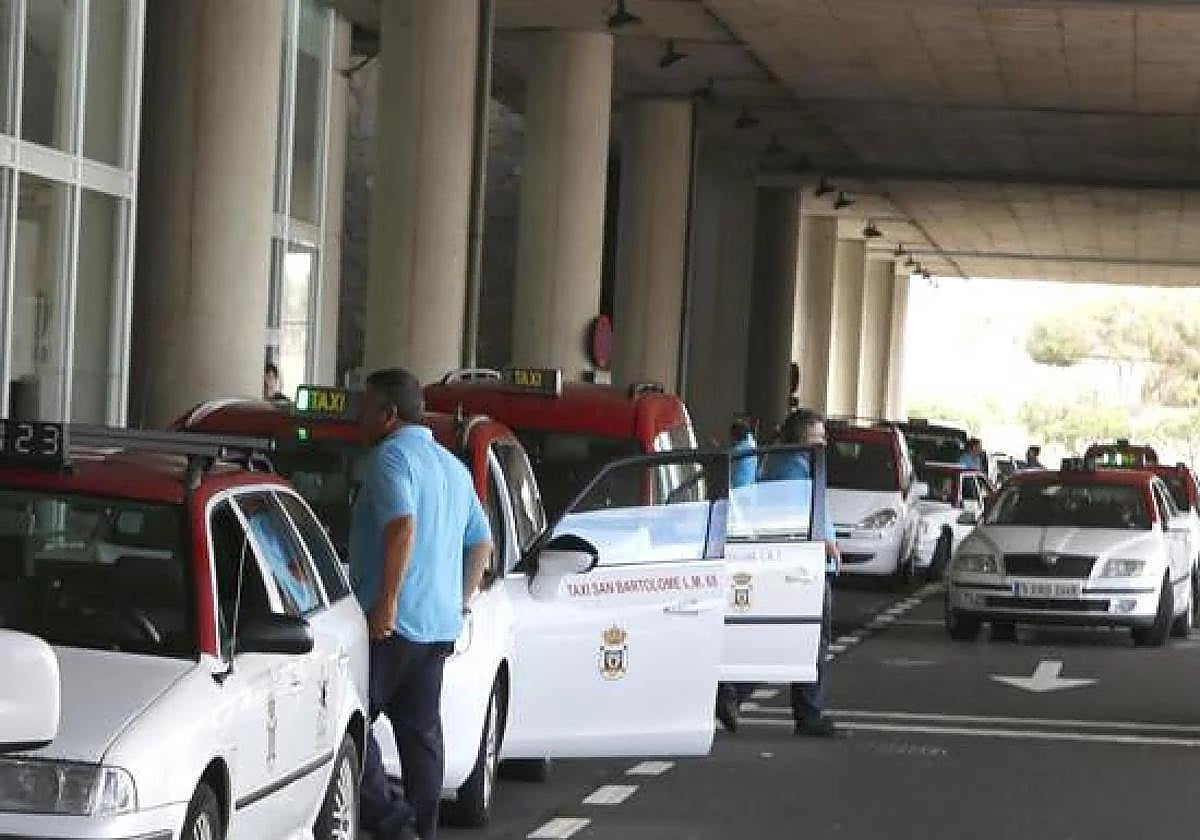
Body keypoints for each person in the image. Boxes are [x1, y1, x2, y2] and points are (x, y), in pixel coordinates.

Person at [351, 368, 493, 840]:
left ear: (389, 415)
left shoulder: (390, 459)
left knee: (347, 722)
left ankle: (394, 826)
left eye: (365, 406)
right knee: (421, 741)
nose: (358, 414)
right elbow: (482, 543)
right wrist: (460, 602)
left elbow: (401, 527)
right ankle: (422, 832)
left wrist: (385, 604)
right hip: (437, 627)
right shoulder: (451, 467)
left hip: (391, 627)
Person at [760, 408, 841, 738]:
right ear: (799, 439)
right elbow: (799, 515)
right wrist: (825, 543)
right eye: (815, 436)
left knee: (794, 638)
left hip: (805, 563)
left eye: (823, 436)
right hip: (806, 565)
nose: (822, 442)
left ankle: (735, 693)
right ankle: (808, 714)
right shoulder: (794, 470)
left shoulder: (790, 464)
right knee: (811, 642)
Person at [716, 415, 761, 732]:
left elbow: (732, 486)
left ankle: (726, 692)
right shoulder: (750, 451)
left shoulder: (743, 453)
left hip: (736, 536)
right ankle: (728, 692)